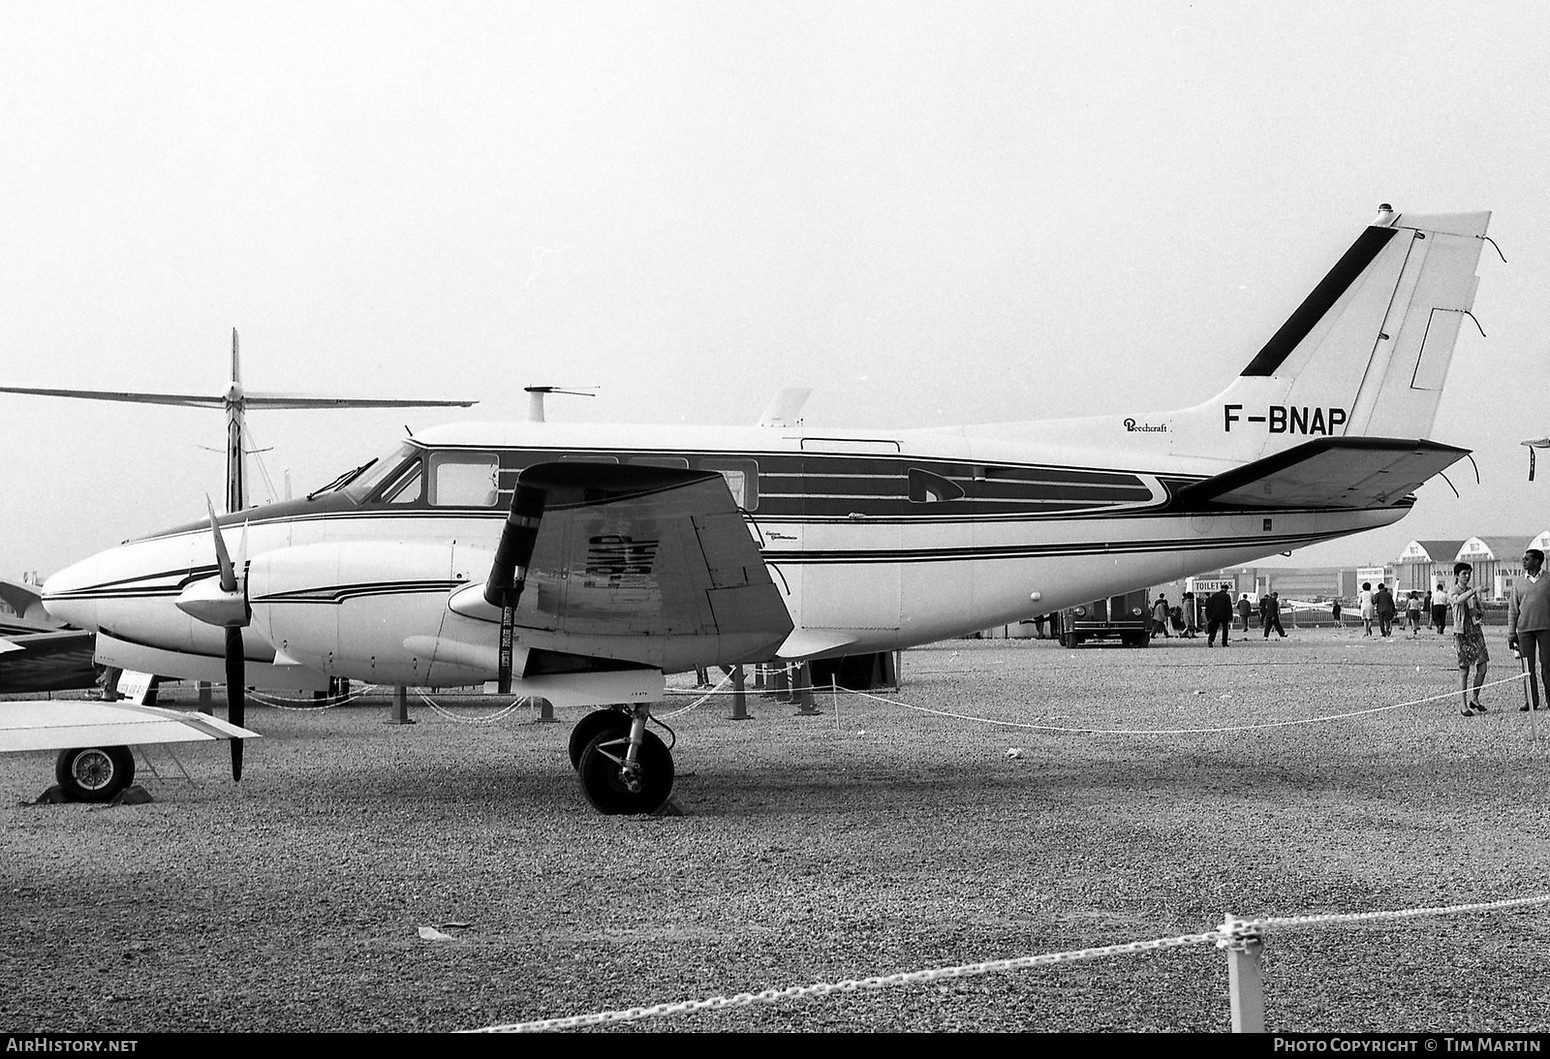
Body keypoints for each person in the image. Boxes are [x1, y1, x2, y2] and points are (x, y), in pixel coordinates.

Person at [1508, 548, 1550, 712]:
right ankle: (1531, 701)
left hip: (1546, 628)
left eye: (1527, 559)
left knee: (1547, 664)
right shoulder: (1518, 582)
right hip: (1524, 629)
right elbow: (1513, 609)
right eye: (1523, 558)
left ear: (1537, 561)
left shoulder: (1548, 579)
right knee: (1527, 667)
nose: (1523, 561)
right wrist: (1511, 632)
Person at [1449, 562, 1489, 715]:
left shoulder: (1471, 592)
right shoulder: (1453, 590)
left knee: (1483, 667)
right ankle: (1463, 704)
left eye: (1469, 573)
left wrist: (1477, 611)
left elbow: (1480, 610)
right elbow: (1457, 600)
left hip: (1475, 630)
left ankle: (1475, 698)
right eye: (1464, 573)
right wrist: (1474, 591)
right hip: (1461, 632)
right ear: (1457, 575)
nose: (1467, 576)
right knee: (1464, 669)